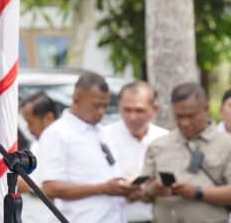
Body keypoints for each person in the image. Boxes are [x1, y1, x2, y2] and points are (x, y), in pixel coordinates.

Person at [37, 72, 133, 222]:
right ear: (77, 100)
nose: (101, 112)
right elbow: (50, 187)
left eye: (105, 106)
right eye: (96, 106)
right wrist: (103, 188)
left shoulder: (101, 131)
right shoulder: (57, 133)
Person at [139, 82, 231, 223]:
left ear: (205, 109)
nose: (185, 123)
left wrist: (198, 192)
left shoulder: (226, 144)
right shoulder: (159, 145)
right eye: (179, 116)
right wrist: (152, 190)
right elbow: (142, 194)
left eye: (191, 116)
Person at [102, 81, 167, 223]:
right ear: (118, 107)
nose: (133, 117)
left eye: (139, 110)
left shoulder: (165, 139)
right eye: (127, 110)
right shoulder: (103, 137)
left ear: (154, 109)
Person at [18, 92, 59, 223]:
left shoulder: (63, 142)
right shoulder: (36, 142)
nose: (28, 129)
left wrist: (27, 185)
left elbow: (57, 186)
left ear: (49, 118)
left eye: (31, 123)